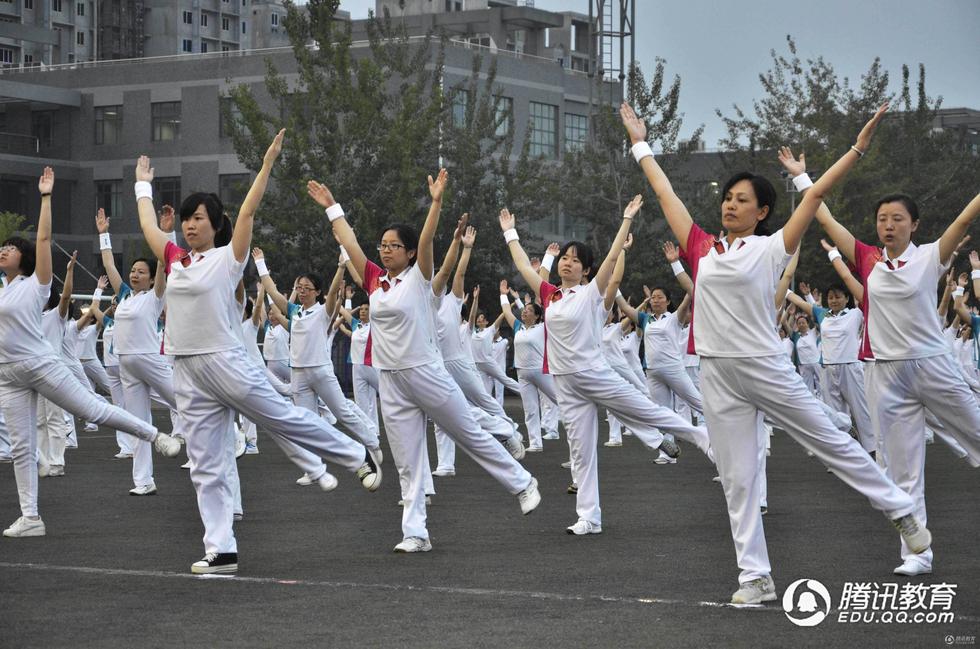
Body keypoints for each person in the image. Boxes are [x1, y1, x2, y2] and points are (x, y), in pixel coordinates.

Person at [621, 101, 930, 603]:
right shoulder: (700, 247)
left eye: (742, 200)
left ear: (762, 212)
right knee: (738, 478)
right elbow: (664, 192)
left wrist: (857, 147)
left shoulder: (772, 247)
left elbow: (819, 194)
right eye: (727, 198)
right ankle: (755, 577)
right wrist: (641, 143)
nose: (730, 205)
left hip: (764, 366)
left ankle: (898, 507)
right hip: (717, 374)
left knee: (828, 437)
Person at [134, 132, 380, 574]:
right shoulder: (173, 258)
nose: (190, 225)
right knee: (205, 465)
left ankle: (355, 454)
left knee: (281, 417)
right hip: (185, 369)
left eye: (199, 219)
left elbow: (248, 209)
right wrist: (142, 187)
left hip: (225, 361)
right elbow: (151, 228)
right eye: (187, 219)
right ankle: (221, 549)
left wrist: (266, 165)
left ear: (216, 224)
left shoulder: (229, 257)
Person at [308, 168, 541, 553]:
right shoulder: (374, 281)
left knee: (469, 433)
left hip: (426, 372)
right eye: (382, 245)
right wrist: (332, 207)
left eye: (393, 246)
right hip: (391, 379)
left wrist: (435, 203)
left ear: (410, 253)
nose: (384, 250)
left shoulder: (419, 277)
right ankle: (415, 532)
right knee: (407, 460)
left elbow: (430, 239)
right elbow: (349, 243)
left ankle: (523, 483)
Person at [810, 148, 980, 577]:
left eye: (898, 219)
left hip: (933, 366)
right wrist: (801, 178)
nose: (888, 225)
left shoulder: (928, 258)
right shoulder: (867, 260)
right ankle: (916, 554)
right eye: (883, 219)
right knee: (900, 467)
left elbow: (962, 219)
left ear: (915, 225)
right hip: (886, 374)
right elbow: (825, 218)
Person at [499, 196, 710, 536]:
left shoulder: (591, 293)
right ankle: (589, 518)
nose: (567, 263)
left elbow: (611, 260)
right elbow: (525, 267)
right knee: (580, 452)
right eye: (564, 258)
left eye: (575, 260)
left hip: (594, 373)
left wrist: (626, 221)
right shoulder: (549, 295)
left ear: (585, 269)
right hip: (565, 383)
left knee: (646, 411)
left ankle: (702, 437)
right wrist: (511, 234)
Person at [0, 167, 180, 539]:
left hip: (40, 364)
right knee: (22, 447)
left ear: (27, 258)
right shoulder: (2, 290)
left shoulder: (37, 284)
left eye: (12, 248)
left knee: (92, 408)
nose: (4, 250)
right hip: (9, 374)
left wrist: (46, 198)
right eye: (3, 247)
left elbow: (45, 237)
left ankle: (153, 435)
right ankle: (31, 516)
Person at [98, 206, 187, 495]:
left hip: (151, 360)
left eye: (141, 272)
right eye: (133, 271)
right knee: (138, 424)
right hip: (126, 365)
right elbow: (110, 266)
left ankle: (230, 435)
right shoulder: (124, 296)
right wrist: (104, 235)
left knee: (188, 404)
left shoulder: (155, 296)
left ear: (151, 278)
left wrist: (165, 232)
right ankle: (143, 481)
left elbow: (165, 262)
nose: (135, 274)